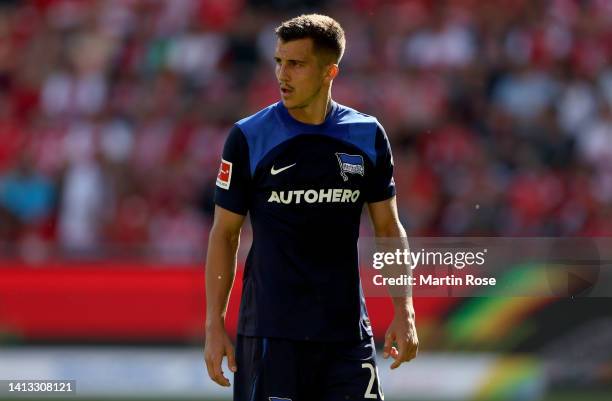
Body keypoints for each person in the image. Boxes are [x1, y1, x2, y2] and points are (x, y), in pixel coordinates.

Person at [204, 14, 418, 401]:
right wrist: (214, 324)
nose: (282, 75)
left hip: (346, 336)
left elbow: (388, 228)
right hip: (272, 333)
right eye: (279, 62)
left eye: (296, 64)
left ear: (329, 71)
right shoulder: (248, 137)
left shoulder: (367, 135)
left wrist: (404, 311)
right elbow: (224, 233)